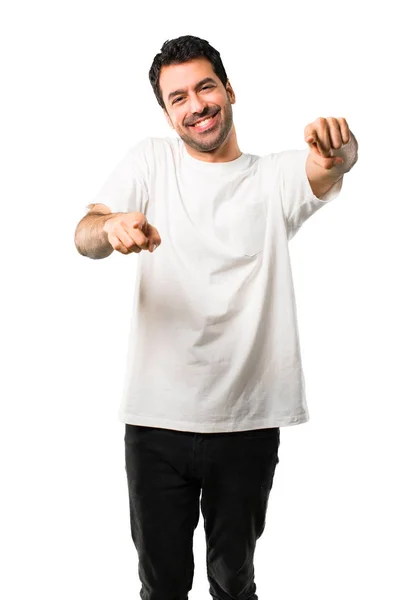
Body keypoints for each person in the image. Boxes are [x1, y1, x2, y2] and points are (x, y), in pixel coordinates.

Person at [74, 35, 358, 600]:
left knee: (233, 581)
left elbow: (328, 168)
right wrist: (110, 228)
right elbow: (86, 233)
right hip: (155, 421)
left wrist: (339, 152)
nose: (195, 105)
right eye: (178, 97)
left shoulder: (273, 177)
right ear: (166, 111)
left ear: (229, 90)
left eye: (205, 87)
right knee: (162, 587)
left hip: (247, 422)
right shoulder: (150, 160)